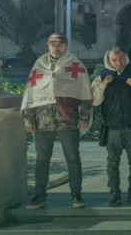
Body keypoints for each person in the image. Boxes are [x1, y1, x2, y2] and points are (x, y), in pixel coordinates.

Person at [21, 33, 92, 210]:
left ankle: (77, 196)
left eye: (59, 44)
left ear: (66, 46)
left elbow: (85, 91)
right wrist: (29, 118)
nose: (56, 47)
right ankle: (39, 196)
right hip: (43, 118)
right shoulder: (40, 64)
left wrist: (84, 116)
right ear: (47, 45)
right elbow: (31, 91)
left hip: (67, 117)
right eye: (52, 43)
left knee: (73, 158)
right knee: (42, 159)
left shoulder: (75, 64)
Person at [91, 46, 131, 206]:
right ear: (108, 60)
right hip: (113, 126)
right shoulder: (101, 76)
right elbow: (95, 101)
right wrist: (103, 85)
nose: (118, 62)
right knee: (113, 161)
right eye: (114, 59)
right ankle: (114, 194)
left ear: (126, 58)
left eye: (121, 58)